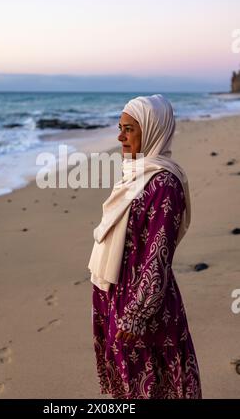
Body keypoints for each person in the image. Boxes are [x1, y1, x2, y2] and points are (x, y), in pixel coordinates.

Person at [88, 94, 202, 399]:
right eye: (119, 127)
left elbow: (158, 255)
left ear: (153, 130)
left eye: (129, 129)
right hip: (116, 292)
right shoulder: (134, 174)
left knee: (152, 382)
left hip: (144, 305)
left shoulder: (164, 183)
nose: (120, 136)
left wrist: (137, 313)